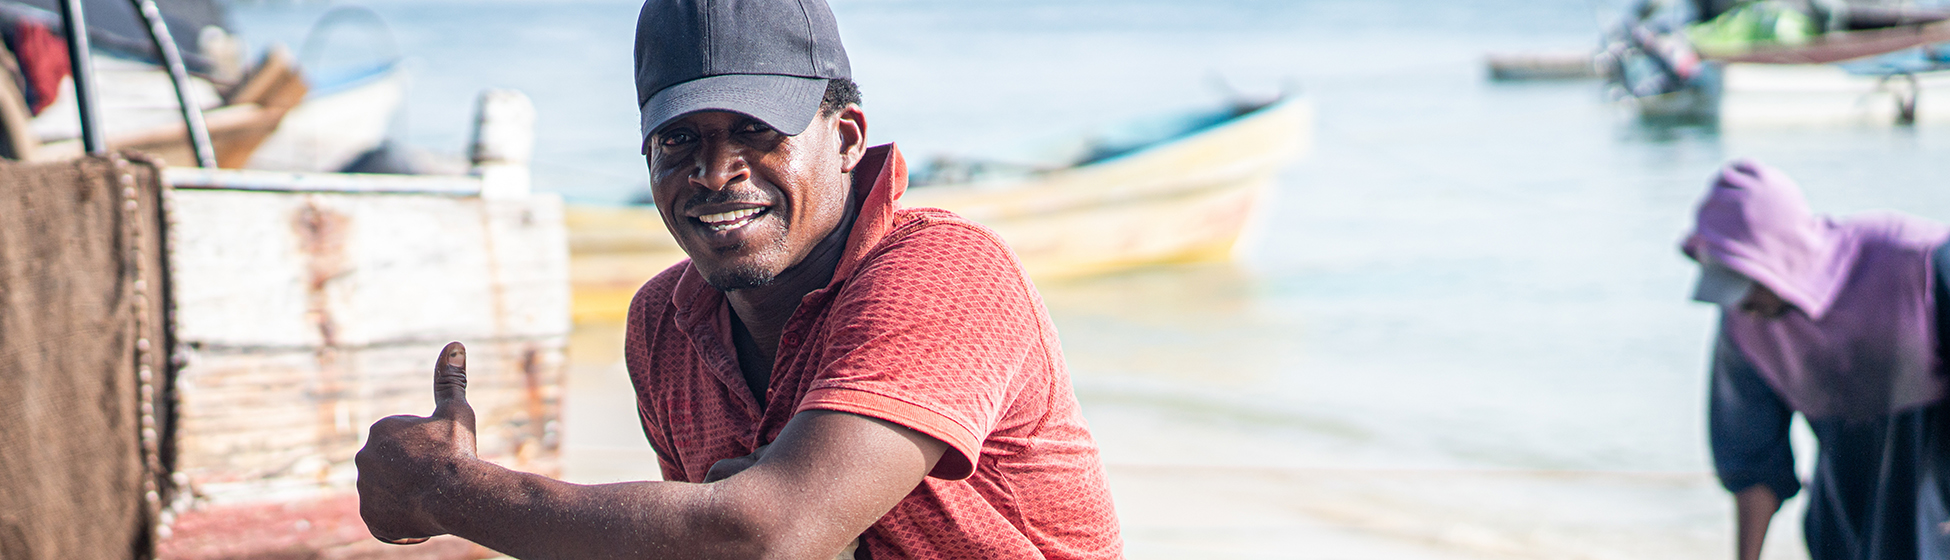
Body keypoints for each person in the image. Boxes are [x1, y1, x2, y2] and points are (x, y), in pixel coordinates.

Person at [352, 0, 1123, 558]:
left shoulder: (944, 274)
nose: (715, 173)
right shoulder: (661, 321)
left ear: (846, 138)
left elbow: (762, 536)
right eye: (680, 140)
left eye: (756, 132)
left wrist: (445, 491)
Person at [1684, 159, 1950, 560]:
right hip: (1843, 526)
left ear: (1781, 257)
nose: (1744, 305)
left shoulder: (1917, 262)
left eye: (1748, 284)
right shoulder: (1745, 326)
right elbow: (1752, 460)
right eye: (1729, 290)